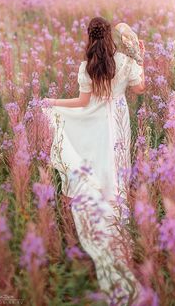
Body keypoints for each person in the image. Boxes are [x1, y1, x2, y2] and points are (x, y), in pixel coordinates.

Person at [42, 16, 145, 305]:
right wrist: (142, 58)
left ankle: (99, 202)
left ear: (90, 37)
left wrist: (52, 103)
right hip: (117, 119)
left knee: (97, 167)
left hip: (96, 121)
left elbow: (82, 103)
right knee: (116, 166)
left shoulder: (87, 67)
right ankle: (117, 213)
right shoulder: (125, 61)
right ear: (110, 35)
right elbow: (139, 89)